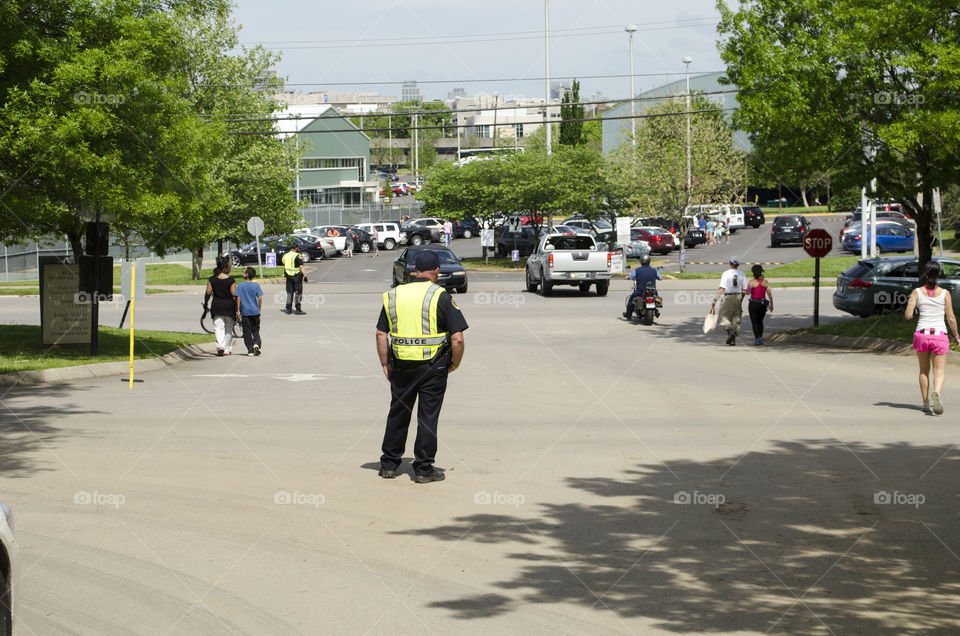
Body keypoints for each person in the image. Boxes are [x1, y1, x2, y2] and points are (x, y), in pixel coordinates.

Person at [375, 250, 467, 483]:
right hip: (433, 367)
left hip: (402, 367)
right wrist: (454, 364)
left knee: (398, 413)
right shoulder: (441, 296)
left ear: (414, 271)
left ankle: (389, 464)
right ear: (436, 271)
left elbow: (380, 333)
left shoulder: (393, 295)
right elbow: (457, 339)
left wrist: (385, 363)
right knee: (427, 417)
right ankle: (423, 469)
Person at [904, 261, 960, 415]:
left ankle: (925, 403)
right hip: (939, 335)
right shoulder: (945, 293)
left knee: (923, 370)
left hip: (922, 334)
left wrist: (915, 311)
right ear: (939, 275)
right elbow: (951, 318)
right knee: (939, 371)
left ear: (925, 274)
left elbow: (908, 315)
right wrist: (956, 336)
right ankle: (937, 392)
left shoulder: (916, 292)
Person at [711, 256, 748, 345]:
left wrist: (715, 299)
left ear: (730, 263)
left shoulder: (726, 273)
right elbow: (745, 290)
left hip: (729, 296)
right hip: (739, 296)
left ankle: (730, 329)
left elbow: (722, 288)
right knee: (735, 317)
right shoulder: (741, 274)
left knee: (722, 315)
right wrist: (740, 298)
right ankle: (733, 338)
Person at [204, 258, 237, 356]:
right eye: (229, 267)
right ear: (225, 268)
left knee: (218, 327)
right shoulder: (231, 280)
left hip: (217, 306)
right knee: (228, 328)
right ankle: (227, 349)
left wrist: (206, 303)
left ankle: (220, 347)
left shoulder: (212, 279)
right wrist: (238, 308)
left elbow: (208, 293)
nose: (230, 269)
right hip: (229, 307)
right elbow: (234, 295)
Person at [234, 267, 263, 356]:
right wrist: (259, 309)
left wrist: (238, 310)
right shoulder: (256, 285)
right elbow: (259, 297)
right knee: (255, 330)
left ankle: (250, 350)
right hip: (255, 311)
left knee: (246, 332)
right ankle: (256, 344)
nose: (242, 273)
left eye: (243, 272)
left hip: (245, 312)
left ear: (247, 274)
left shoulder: (240, 285)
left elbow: (238, 298)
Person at [623, 254, 661, 321]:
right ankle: (656, 310)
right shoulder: (654, 270)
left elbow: (631, 277)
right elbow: (660, 278)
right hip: (652, 291)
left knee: (631, 300)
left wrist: (628, 277)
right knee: (656, 298)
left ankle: (628, 315)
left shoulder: (637, 270)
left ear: (641, 261)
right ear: (649, 261)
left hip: (640, 291)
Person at [747, 264, 774, 345]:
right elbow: (769, 293)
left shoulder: (751, 282)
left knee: (754, 322)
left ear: (753, 272)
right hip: (762, 304)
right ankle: (761, 337)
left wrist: (743, 291)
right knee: (760, 321)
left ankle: (757, 338)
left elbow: (748, 292)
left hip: (753, 304)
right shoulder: (765, 282)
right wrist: (771, 303)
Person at [282, 245, 308, 315]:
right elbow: (301, 267)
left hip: (288, 277)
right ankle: (298, 309)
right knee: (298, 293)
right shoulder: (298, 255)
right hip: (297, 277)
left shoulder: (285, 256)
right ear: (296, 248)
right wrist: (305, 276)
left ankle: (289, 309)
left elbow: (285, 264)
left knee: (289, 293)